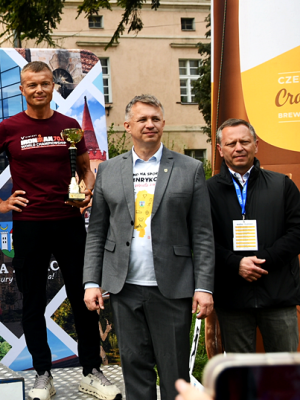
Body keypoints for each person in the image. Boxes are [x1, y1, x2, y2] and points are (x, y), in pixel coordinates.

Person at [0, 61, 120, 400]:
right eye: (31, 85)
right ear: (22, 90)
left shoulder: (68, 126)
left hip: (69, 224)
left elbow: (85, 169)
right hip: (29, 225)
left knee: (84, 301)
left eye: (45, 84)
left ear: (54, 87)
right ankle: (42, 374)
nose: (39, 90)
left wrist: (86, 191)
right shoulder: (8, 128)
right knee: (33, 303)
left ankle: (92, 370)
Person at [83, 94, 215, 399]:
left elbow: (203, 234)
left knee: (174, 372)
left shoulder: (189, 168)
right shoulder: (109, 170)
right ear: (128, 125)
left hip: (173, 288)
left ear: (164, 124)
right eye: (142, 119)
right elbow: (97, 232)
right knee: (134, 367)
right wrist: (91, 281)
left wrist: (204, 287)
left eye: (155, 119)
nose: (150, 124)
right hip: (124, 288)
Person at [206, 118, 300, 353]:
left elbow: (297, 232)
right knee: (240, 376)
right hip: (233, 298)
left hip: (278, 295)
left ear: (256, 144)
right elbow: (202, 239)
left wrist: (262, 260)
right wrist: (235, 264)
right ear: (220, 149)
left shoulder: (282, 185)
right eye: (231, 143)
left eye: (244, 141)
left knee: (285, 374)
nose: (238, 147)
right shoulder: (207, 191)